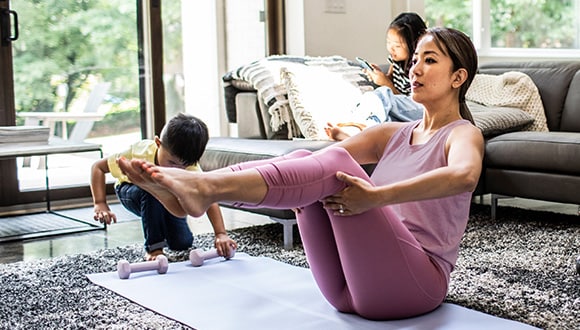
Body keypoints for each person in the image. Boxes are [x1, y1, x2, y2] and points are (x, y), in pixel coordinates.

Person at [117, 27, 483, 320]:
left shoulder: (463, 133)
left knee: (337, 168)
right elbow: (307, 162)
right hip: (348, 289)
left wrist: (377, 196)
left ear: (458, 77)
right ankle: (202, 190)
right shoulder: (394, 133)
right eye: (414, 59)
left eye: (429, 60)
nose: (414, 69)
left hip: (414, 286)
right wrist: (291, 188)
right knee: (305, 158)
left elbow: (464, 176)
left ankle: (203, 188)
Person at [90, 113, 237, 261]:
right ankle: (154, 248)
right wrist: (100, 203)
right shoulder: (139, 152)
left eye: (183, 165)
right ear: (158, 143)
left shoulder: (191, 167)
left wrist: (221, 233)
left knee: (182, 243)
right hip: (131, 189)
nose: (177, 168)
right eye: (172, 162)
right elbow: (98, 167)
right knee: (152, 190)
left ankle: (166, 230)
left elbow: (208, 197)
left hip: (167, 196)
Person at [327, 12, 427, 141]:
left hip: (419, 107)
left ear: (414, 44)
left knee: (382, 93)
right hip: (402, 110)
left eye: (397, 45)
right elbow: (392, 80)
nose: (391, 49)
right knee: (379, 107)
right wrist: (381, 76)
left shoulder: (417, 66)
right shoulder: (395, 61)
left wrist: (386, 84)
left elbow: (409, 97)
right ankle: (356, 127)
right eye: (388, 42)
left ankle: (362, 131)